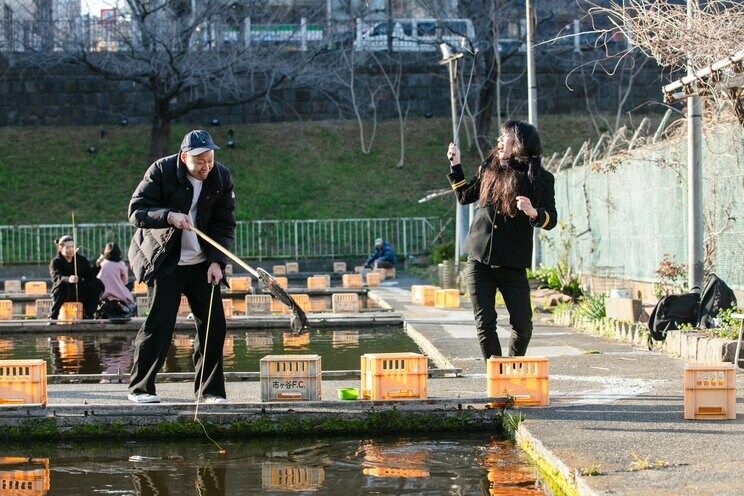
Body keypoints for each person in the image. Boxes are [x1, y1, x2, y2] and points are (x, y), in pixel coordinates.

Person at [127, 129, 236, 404]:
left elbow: (224, 223)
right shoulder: (161, 171)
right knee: (160, 323)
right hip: (167, 260)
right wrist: (168, 215)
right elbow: (136, 212)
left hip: (202, 262)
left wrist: (216, 261)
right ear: (184, 156)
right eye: (200, 161)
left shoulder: (221, 176)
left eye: (210, 160)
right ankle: (141, 389)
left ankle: (210, 392)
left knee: (214, 325)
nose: (205, 167)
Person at [445, 120, 557, 360]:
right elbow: (465, 196)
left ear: (519, 143)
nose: (499, 140)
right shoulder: (489, 168)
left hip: (512, 263)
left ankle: (513, 369)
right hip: (478, 259)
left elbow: (551, 220)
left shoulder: (541, 178)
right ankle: (496, 378)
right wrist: (456, 165)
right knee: (485, 323)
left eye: (504, 135)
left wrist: (534, 212)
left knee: (523, 325)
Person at [49, 235, 103, 321]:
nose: (70, 250)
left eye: (72, 247)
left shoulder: (82, 260)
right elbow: (57, 278)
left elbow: (89, 276)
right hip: (65, 292)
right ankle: (53, 315)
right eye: (67, 247)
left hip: (80, 290)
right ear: (60, 249)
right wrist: (68, 279)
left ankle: (89, 314)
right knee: (60, 287)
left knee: (96, 284)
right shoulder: (56, 262)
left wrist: (97, 265)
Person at [95, 242, 135, 319]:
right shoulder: (121, 264)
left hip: (102, 293)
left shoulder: (101, 262)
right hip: (118, 293)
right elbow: (125, 281)